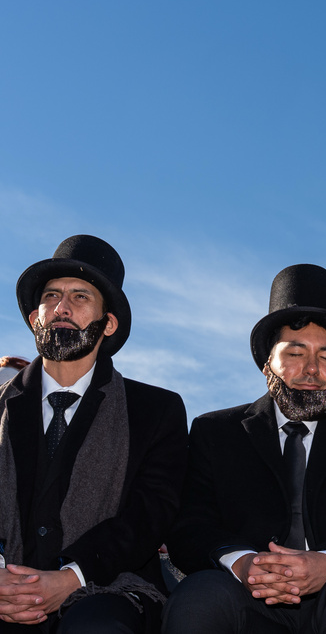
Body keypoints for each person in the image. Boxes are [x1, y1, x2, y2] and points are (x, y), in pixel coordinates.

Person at [164, 264, 326, 634]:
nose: (311, 369)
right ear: (268, 364)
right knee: (199, 595)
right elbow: (191, 524)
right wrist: (243, 563)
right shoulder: (215, 431)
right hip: (244, 593)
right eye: (295, 353)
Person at [0, 235, 188, 632]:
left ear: (109, 323)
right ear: (35, 318)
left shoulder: (156, 410)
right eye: (51, 296)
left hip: (109, 589)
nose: (62, 308)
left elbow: (149, 513)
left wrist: (72, 577)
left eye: (80, 297)